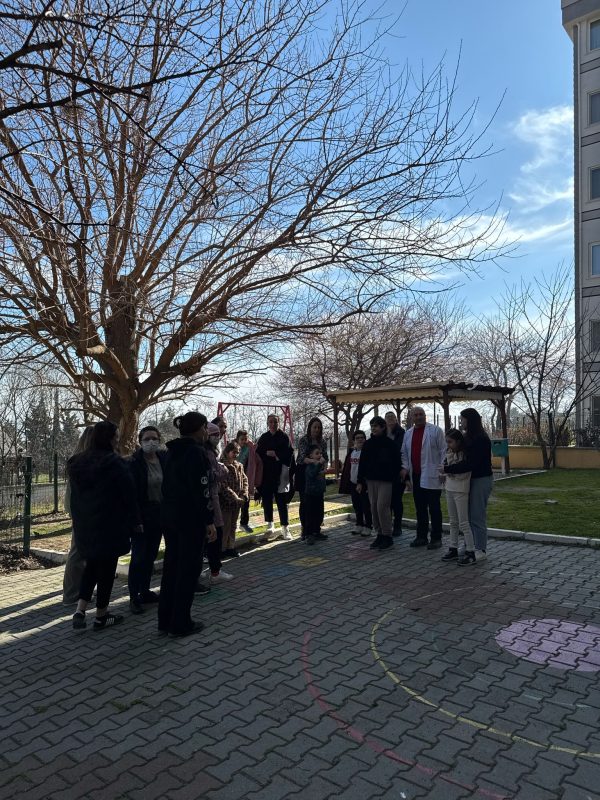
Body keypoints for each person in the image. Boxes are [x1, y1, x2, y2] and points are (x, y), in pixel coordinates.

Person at [69, 421, 137, 631]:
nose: (117, 440)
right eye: (115, 436)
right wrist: (135, 521)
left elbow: (75, 498)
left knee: (91, 566)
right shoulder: (115, 463)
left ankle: (80, 609)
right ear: (109, 439)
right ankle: (101, 615)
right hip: (110, 525)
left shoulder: (76, 463)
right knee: (107, 571)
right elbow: (129, 495)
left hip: (85, 525)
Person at [158, 412, 216, 637]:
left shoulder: (171, 452)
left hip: (170, 516)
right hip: (190, 519)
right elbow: (201, 490)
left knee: (171, 568)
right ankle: (181, 622)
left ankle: (165, 619)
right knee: (188, 570)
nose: (207, 433)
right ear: (199, 429)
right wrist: (208, 521)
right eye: (205, 428)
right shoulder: (195, 453)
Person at [442, 408, 493, 562]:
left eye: (463, 419)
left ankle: (480, 549)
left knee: (476, 515)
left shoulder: (481, 438)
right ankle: (469, 545)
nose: (461, 422)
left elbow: (471, 463)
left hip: (480, 479)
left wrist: (448, 469)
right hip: (467, 480)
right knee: (466, 516)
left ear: (470, 420)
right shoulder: (466, 437)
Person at [128, 426, 167, 613]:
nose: (151, 442)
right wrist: (136, 520)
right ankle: (133, 597)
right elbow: (132, 495)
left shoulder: (163, 459)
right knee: (138, 557)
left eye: (154, 438)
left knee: (151, 555)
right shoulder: (134, 463)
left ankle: (145, 590)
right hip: (142, 516)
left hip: (159, 514)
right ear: (140, 441)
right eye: (146, 439)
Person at [401, 407, 446, 549]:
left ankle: (436, 538)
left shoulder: (436, 431)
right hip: (416, 475)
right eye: (416, 415)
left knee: (434, 508)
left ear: (425, 416)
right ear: (411, 418)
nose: (419, 417)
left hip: (432, 475)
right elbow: (404, 453)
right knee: (420, 508)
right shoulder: (408, 434)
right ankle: (421, 537)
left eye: (421, 414)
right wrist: (405, 468)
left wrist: (442, 470)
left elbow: (444, 451)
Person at [356, 416, 402, 551]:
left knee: (382, 507)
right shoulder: (368, 444)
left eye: (376, 426)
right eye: (372, 426)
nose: (373, 428)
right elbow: (362, 463)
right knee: (374, 507)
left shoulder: (390, 444)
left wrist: (395, 478)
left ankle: (387, 536)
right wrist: (360, 481)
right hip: (371, 480)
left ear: (383, 427)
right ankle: (379, 534)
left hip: (386, 481)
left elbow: (397, 462)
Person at [198, 422, 234, 586]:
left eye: (218, 434)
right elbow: (215, 474)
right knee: (215, 534)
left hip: (211, 496)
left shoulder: (208, 452)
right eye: (214, 435)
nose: (217, 437)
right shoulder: (206, 453)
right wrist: (224, 470)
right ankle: (215, 572)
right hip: (210, 498)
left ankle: (206, 570)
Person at [62, 426, 94, 605]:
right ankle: (71, 594)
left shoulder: (79, 459)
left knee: (81, 552)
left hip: (81, 510)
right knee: (77, 552)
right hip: (82, 512)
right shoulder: (81, 461)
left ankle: (79, 590)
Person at [439, 429, 476, 566]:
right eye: (447, 442)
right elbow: (447, 468)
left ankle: (471, 551)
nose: (448, 445)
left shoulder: (465, 454)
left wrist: (448, 471)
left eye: (450, 442)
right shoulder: (449, 453)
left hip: (461, 490)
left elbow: (462, 472)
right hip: (449, 488)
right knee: (453, 521)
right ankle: (453, 548)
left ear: (458, 441)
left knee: (463, 522)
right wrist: (447, 472)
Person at [255, 414, 292, 541]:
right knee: (267, 499)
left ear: (279, 423)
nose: (273, 424)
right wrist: (266, 454)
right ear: (267, 423)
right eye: (270, 422)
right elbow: (258, 454)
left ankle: (285, 527)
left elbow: (289, 453)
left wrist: (276, 454)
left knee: (281, 500)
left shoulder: (284, 437)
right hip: (266, 474)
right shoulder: (263, 437)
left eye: (275, 422)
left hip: (280, 473)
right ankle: (270, 524)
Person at [296, 417, 328, 541]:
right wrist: (315, 462)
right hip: (305, 474)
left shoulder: (322, 442)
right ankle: (306, 530)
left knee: (318, 504)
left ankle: (316, 530)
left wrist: (324, 468)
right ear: (310, 428)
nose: (317, 429)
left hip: (318, 475)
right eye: (314, 427)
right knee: (306, 504)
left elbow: (325, 457)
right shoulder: (304, 440)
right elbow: (301, 458)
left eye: (319, 427)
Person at [339, 430, 372, 537]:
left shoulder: (367, 452)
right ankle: (359, 524)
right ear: (354, 441)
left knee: (366, 506)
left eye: (362, 437)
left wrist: (363, 482)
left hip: (364, 484)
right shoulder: (351, 453)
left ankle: (368, 526)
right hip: (353, 483)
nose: (360, 440)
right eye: (357, 438)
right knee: (357, 505)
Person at [219, 442, 249, 557]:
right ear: (227, 452)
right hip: (226, 502)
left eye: (238, 452)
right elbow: (223, 485)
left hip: (237, 502)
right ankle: (222, 549)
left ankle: (230, 547)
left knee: (233, 525)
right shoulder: (222, 466)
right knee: (225, 526)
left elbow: (245, 480)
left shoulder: (239, 465)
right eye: (234, 452)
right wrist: (234, 497)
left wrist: (244, 494)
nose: (236, 454)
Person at [385, 411, 406, 537]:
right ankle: (387, 525)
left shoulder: (401, 433)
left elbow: (403, 451)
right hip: (385, 472)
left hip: (398, 471)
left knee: (397, 500)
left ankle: (397, 526)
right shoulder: (383, 433)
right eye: (388, 417)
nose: (390, 419)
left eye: (392, 417)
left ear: (396, 419)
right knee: (386, 501)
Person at [303, 444, 327, 545]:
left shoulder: (320, 466)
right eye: (317, 453)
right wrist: (319, 464)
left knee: (319, 514)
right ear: (311, 456)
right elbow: (312, 475)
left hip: (319, 493)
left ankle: (317, 531)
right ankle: (309, 534)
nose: (319, 455)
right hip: (310, 494)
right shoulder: (310, 466)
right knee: (310, 514)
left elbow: (321, 479)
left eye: (320, 453)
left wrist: (331, 481)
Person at [235, 430, 259, 533]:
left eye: (246, 439)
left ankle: (244, 523)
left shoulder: (249, 448)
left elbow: (254, 459)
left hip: (245, 477)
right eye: (242, 439)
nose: (244, 441)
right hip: (234, 478)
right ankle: (233, 523)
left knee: (246, 501)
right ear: (237, 439)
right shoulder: (233, 447)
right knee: (235, 502)